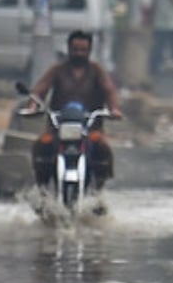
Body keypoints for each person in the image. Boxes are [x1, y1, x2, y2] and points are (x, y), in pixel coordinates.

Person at [24, 30, 123, 189]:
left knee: (103, 148)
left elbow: (109, 90)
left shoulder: (97, 70)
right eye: (75, 49)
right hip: (58, 127)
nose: (79, 53)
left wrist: (115, 109)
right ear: (69, 49)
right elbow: (40, 89)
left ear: (89, 51)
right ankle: (41, 190)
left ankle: (99, 191)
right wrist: (33, 105)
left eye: (83, 50)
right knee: (41, 145)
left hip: (90, 128)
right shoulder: (57, 69)